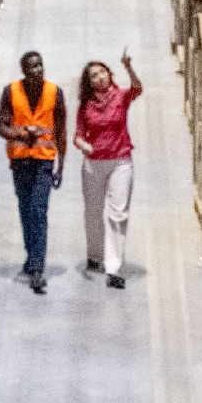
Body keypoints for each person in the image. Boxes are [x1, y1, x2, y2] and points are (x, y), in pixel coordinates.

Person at [73, 54, 145, 288]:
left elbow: (137, 88)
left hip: (120, 162)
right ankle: (95, 255)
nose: (100, 77)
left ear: (109, 73)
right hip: (93, 164)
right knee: (93, 213)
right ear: (89, 82)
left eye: (103, 71)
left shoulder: (120, 97)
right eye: (94, 75)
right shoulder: (85, 105)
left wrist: (128, 66)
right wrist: (85, 145)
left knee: (118, 214)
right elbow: (78, 136)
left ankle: (115, 268)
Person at [0, 51, 61, 293]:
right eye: (32, 67)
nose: (38, 70)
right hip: (21, 163)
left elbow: (61, 129)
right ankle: (31, 255)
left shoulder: (54, 92)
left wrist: (62, 165)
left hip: (44, 162)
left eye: (40, 65)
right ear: (24, 70)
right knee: (26, 211)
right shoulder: (11, 92)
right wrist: (23, 132)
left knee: (38, 210)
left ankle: (37, 268)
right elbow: (2, 128)